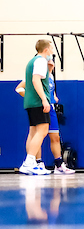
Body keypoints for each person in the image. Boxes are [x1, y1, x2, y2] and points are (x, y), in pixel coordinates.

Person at [15, 55, 73, 174]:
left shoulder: (49, 75)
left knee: (55, 137)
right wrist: (30, 97)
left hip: (50, 107)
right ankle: (37, 162)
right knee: (38, 134)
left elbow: (50, 91)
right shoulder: (35, 74)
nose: (50, 60)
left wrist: (54, 97)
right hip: (40, 106)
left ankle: (58, 164)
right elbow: (19, 89)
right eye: (49, 58)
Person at [18, 40, 55, 176]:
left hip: (30, 102)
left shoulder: (32, 61)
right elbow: (35, 80)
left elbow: (40, 79)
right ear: (46, 50)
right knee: (43, 130)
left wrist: (49, 70)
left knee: (33, 132)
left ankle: (31, 163)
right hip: (38, 102)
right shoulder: (40, 61)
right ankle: (29, 162)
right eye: (51, 48)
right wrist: (45, 100)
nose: (52, 51)